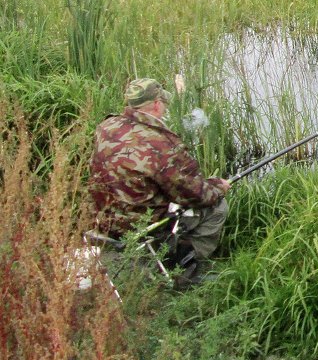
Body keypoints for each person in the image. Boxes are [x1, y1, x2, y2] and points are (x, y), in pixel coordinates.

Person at [90, 78, 230, 282]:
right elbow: (196, 195)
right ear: (156, 104)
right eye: (163, 103)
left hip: (104, 220)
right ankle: (181, 270)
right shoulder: (160, 143)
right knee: (217, 208)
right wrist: (218, 187)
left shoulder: (106, 126)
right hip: (141, 226)